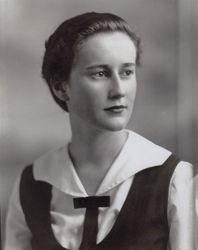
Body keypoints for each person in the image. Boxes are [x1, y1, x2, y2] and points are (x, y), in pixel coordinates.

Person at [4, 12, 196, 250]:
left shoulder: (174, 180)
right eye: (100, 73)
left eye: (127, 72)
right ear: (61, 87)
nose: (118, 90)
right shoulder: (32, 185)